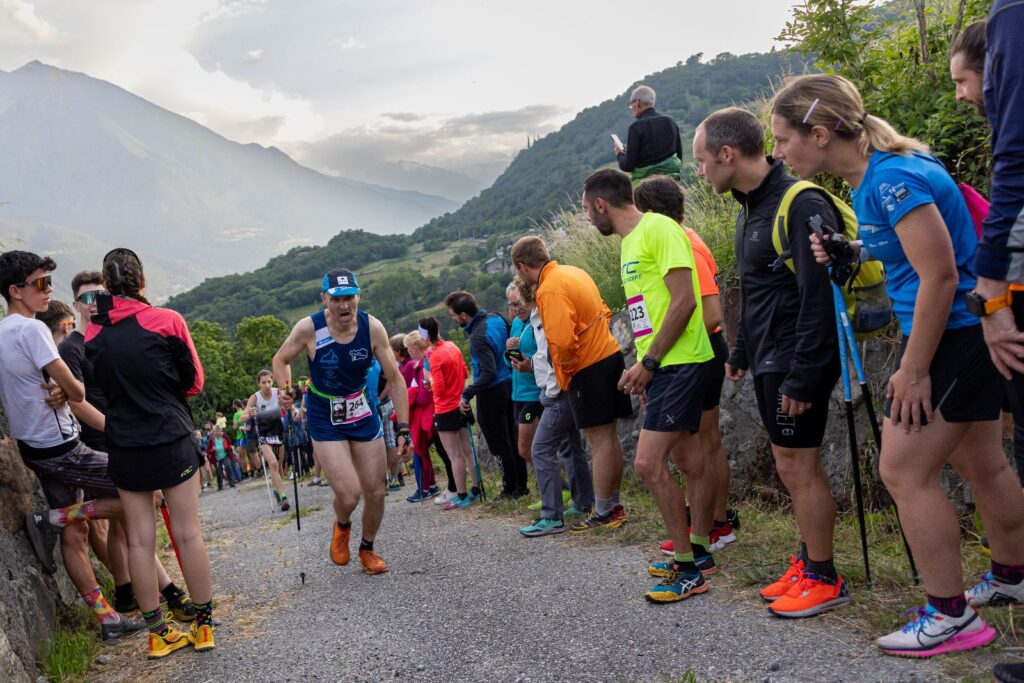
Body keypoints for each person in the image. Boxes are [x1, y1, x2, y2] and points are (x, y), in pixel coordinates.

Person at [771, 73, 1024, 655]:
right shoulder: (881, 173)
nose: (780, 153)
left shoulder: (890, 180)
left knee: (903, 472)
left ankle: (950, 615)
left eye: (784, 140)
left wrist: (912, 370)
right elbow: (917, 252)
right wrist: (853, 250)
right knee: (983, 461)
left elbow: (940, 275)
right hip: (962, 334)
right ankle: (1012, 574)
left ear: (818, 132)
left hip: (951, 338)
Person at [693, 107, 846, 618]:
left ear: (727, 154)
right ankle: (808, 563)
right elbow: (760, 291)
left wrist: (804, 374)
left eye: (701, 161)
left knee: (799, 466)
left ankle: (824, 577)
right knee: (790, 464)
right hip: (770, 357)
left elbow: (817, 296)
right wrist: (740, 351)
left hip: (796, 359)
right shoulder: (751, 206)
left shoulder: (797, 203)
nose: (699, 171)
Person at [582, 168, 716, 603]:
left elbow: (684, 301)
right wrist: (643, 365)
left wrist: (652, 362)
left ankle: (686, 569)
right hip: (661, 365)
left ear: (601, 204)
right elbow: (647, 311)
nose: (587, 218)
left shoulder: (659, 228)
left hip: (681, 361)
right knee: (688, 458)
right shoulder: (628, 244)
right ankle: (699, 547)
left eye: (586, 209)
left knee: (647, 464)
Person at [0, 251, 146, 645]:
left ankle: (108, 619)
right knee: (141, 493)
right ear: (15, 291)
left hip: (34, 448)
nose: (48, 292)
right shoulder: (32, 331)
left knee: (77, 535)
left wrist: (55, 387)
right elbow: (78, 390)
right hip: (62, 446)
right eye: (40, 284)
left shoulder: (2, 332)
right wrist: (64, 388)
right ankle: (53, 518)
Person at [84, 247, 215, 658]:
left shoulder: (93, 332)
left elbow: (98, 387)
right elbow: (194, 382)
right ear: (142, 282)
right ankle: (204, 627)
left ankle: (159, 635)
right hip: (170, 437)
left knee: (140, 542)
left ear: (105, 286)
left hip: (124, 443)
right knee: (187, 532)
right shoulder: (168, 321)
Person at [59, 270, 195, 620]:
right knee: (134, 522)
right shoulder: (73, 348)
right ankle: (167, 592)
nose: (94, 304)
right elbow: (77, 402)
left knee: (126, 527)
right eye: (87, 299)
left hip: (121, 438)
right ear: (75, 304)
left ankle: (126, 592)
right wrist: (118, 429)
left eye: (100, 296)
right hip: (103, 440)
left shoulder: (107, 336)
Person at [271, 268, 411, 575]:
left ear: (358, 296)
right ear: (324, 299)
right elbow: (280, 360)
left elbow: (397, 380)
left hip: (361, 409)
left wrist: (404, 428)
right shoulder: (309, 328)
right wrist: (284, 392)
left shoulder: (372, 328)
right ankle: (342, 525)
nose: (344, 306)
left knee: (375, 489)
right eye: (336, 299)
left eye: (349, 298)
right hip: (325, 415)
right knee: (349, 494)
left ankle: (367, 548)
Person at [962, 4, 1024, 677]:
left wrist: (992, 294)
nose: (965, 96)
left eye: (964, 81)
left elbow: (1014, 159)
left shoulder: (1012, 17)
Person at [633, 175, 738, 553]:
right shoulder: (679, 239)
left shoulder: (685, 245)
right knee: (695, 448)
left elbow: (711, 311)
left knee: (705, 446)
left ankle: (716, 526)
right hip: (694, 350)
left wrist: (672, 341)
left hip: (699, 351)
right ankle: (706, 524)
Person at [510, 235, 634, 531]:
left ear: (523, 266)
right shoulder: (574, 272)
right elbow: (603, 309)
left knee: (598, 440)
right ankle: (612, 504)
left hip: (587, 366)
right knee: (610, 437)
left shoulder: (549, 288)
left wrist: (564, 374)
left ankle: (604, 510)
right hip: (609, 353)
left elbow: (562, 342)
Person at [516, 278, 595, 537]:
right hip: (563, 388)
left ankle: (551, 516)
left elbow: (554, 353)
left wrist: (550, 390)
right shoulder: (539, 315)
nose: (516, 308)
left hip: (558, 391)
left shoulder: (545, 313)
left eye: (518, 301)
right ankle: (584, 502)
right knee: (571, 447)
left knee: (540, 449)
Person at [446, 290, 528, 499]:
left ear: (463, 315)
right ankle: (521, 486)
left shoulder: (477, 337)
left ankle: (510, 489)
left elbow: (489, 372)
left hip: (491, 392)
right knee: (512, 437)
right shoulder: (496, 318)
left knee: (499, 445)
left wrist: (467, 393)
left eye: (453, 315)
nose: (454, 319)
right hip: (511, 384)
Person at [420, 316, 478, 509]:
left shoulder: (435, 356)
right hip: (460, 403)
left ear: (426, 337)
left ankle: (461, 495)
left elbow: (440, 388)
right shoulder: (452, 347)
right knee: (467, 450)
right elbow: (465, 373)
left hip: (445, 409)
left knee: (454, 456)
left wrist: (430, 383)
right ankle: (476, 490)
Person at [403, 331, 450, 503]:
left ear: (414, 347)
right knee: (435, 451)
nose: (407, 351)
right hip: (432, 414)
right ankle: (430, 486)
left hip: (429, 415)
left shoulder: (423, 363)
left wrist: (411, 396)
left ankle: (425, 488)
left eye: (408, 347)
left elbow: (424, 395)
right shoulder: (423, 361)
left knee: (423, 451)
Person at [614, 85, 683, 186]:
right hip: (671, 184)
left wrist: (619, 154)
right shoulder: (670, 121)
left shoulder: (635, 127)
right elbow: (679, 156)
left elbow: (628, 166)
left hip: (646, 189)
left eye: (631, 104)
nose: (631, 108)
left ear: (637, 102)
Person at [243, 370, 291, 511]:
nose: (267, 385)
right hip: (263, 435)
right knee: (273, 463)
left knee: (280, 466)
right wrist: (249, 414)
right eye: (263, 382)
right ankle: (283, 497)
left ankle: (277, 490)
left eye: (269, 381)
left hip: (278, 432)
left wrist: (294, 412)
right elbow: (242, 417)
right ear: (259, 383)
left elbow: (289, 404)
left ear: (272, 381)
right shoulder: (255, 398)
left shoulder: (277, 392)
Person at [206, 424, 235, 490]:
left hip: (225, 455)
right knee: (219, 470)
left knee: (228, 467)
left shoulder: (224, 437)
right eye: (216, 431)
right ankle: (220, 486)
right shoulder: (212, 439)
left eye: (219, 431)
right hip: (217, 457)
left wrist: (229, 447)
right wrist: (212, 449)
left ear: (221, 431)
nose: (217, 432)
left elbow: (229, 443)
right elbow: (208, 450)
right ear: (213, 432)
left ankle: (231, 483)